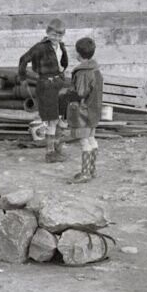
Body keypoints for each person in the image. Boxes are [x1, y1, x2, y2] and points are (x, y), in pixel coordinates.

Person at [18, 19, 69, 162]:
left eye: (59, 36)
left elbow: (63, 62)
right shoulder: (39, 47)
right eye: (54, 35)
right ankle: (50, 153)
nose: (56, 38)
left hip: (58, 83)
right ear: (47, 32)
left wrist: (62, 70)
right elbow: (23, 59)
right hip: (46, 85)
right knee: (52, 120)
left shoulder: (61, 46)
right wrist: (22, 78)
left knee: (59, 119)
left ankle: (57, 149)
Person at [66, 37, 103, 183]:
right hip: (94, 110)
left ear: (78, 54)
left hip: (82, 112)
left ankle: (85, 173)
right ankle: (91, 170)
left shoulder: (82, 72)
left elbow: (80, 93)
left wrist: (67, 93)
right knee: (91, 139)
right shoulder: (96, 70)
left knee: (84, 141)